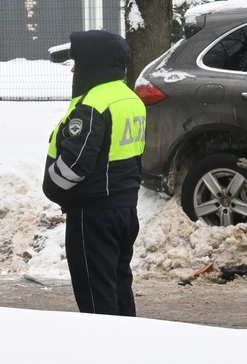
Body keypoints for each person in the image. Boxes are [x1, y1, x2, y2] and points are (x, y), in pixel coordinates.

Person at [43, 30, 146, 316]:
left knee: (95, 296)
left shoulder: (92, 104)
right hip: (124, 209)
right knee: (118, 285)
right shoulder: (129, 98)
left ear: (94, 64)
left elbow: (77, 164)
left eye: (78, 61)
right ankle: (129, 349)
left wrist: (52, 185)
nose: (74, 69)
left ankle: (107, 351)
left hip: (93, 214)